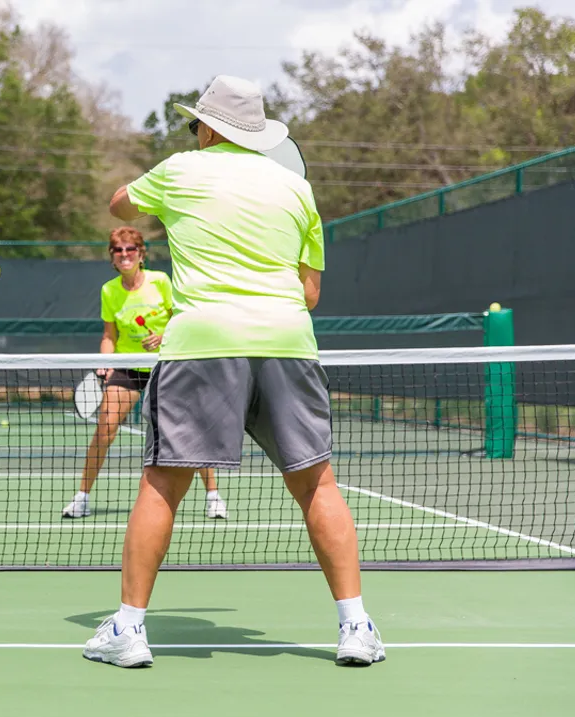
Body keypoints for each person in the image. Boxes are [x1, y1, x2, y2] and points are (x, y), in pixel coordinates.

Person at [83, 75, 384, 668]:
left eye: (197, 124)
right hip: (287, 343)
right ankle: (356, 626)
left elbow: (119, 204)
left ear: (212, 127)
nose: (194, 133)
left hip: (204, 344)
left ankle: (129, 631)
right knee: (317, 484)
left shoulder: (179, 171)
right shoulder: (297, 191)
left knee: (163, 482)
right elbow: (310, 291)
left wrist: (161, 196)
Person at [62, 227, 226, 521]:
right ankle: (82, 497)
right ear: (112, 258)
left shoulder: (160, 282)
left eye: (130, 249)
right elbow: (109, 335)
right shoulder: (109, 290)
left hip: (166, 364)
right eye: (118, 250)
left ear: (141, 254)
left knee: (190, 430)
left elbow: (183, 317)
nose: (124, 255)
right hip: (128, 367)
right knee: (105, 427)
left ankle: (213, 496)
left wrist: (163, 336)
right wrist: (104, 361)